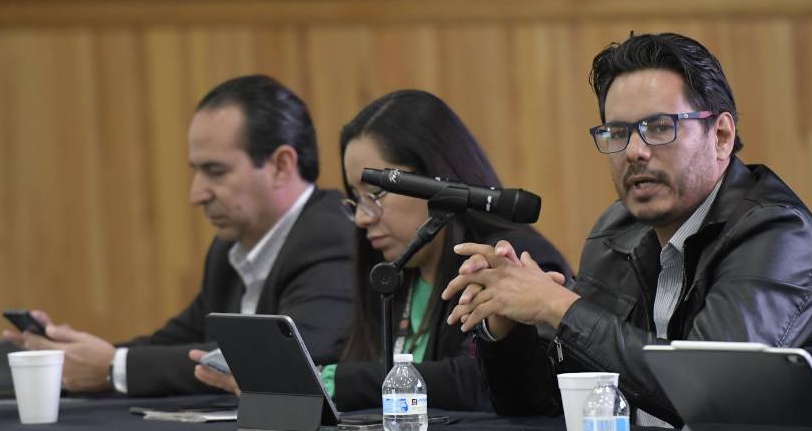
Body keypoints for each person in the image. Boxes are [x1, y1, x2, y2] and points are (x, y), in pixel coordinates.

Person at [444, 32, 812, 431]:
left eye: (660, 127)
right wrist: (508, 329)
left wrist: (559, 308)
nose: (635, 152)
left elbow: (711, 394)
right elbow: (542, 410)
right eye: (617, 133)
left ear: (721, 135)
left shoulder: (777, 235)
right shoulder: (615, 233)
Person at [194, 90, 571, 410]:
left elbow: (476, 382)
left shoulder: (510, 259)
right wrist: (286, 382)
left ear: (436, 178)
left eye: (375, 194)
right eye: (354, 199)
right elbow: (346, 359)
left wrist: (331, 381)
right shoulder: (391, 269)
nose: (361, 218)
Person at [6, 75, 356, 396]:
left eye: (215, 171)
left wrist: (114, 366)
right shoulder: (229, 250)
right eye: (197, 171)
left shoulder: (331, 235)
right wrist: (76, 354)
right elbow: (178, 343)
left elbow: (285, 358)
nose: (196, 194)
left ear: (280, 166)